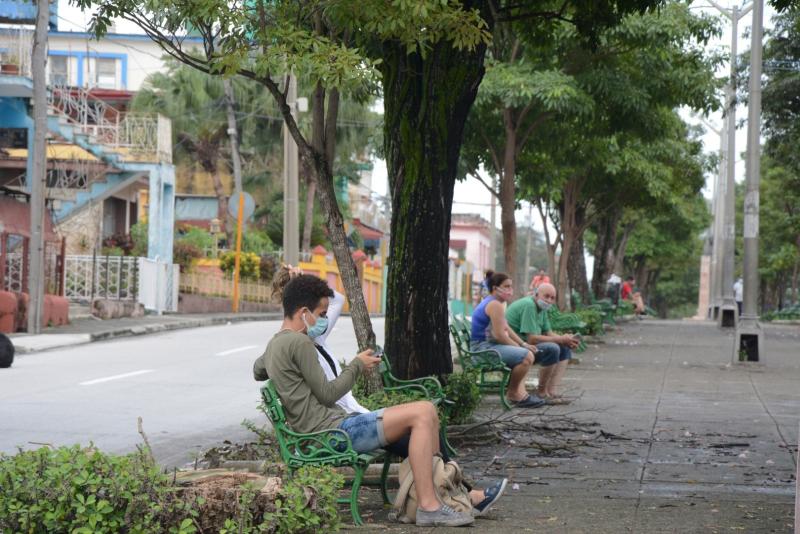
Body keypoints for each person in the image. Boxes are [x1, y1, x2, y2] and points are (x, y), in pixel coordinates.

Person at [254, 275, 506, 526]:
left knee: (427, 412)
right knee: (422, 413)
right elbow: (328, 394)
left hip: (333, 429)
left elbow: (258, 370)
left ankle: (431, 500)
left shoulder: (276, 344)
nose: (322, 320)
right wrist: (356, 365)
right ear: (304, 311)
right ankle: (430, 507)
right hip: (331, 434)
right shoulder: (299, 342)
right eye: (321, 314)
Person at [470, 272, 544, 408]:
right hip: (482, 350)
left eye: (511, 286)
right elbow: (499, 335)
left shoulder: (493, 302)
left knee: (524, 353)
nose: (510, 290)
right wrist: (521, 348)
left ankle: (519, 393)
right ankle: (513, 393)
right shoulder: (494, 305)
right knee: (527, 357)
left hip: (483, 347)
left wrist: (523, 344)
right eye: (506, 286)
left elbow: (506, 327)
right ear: (495, 287)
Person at [505, 283, 578, 403]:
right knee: (553, 348)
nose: (549, 300)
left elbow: (548, 332)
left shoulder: (542, 308)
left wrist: (566, 340)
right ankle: (542, 393)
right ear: (536, 295)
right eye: (546, 296)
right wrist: (560, 339)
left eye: (552, 298)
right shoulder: (529, 305)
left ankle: (551, 391)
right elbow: (532, 339)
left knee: (564, 348)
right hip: (516, 347)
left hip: (527, 346)